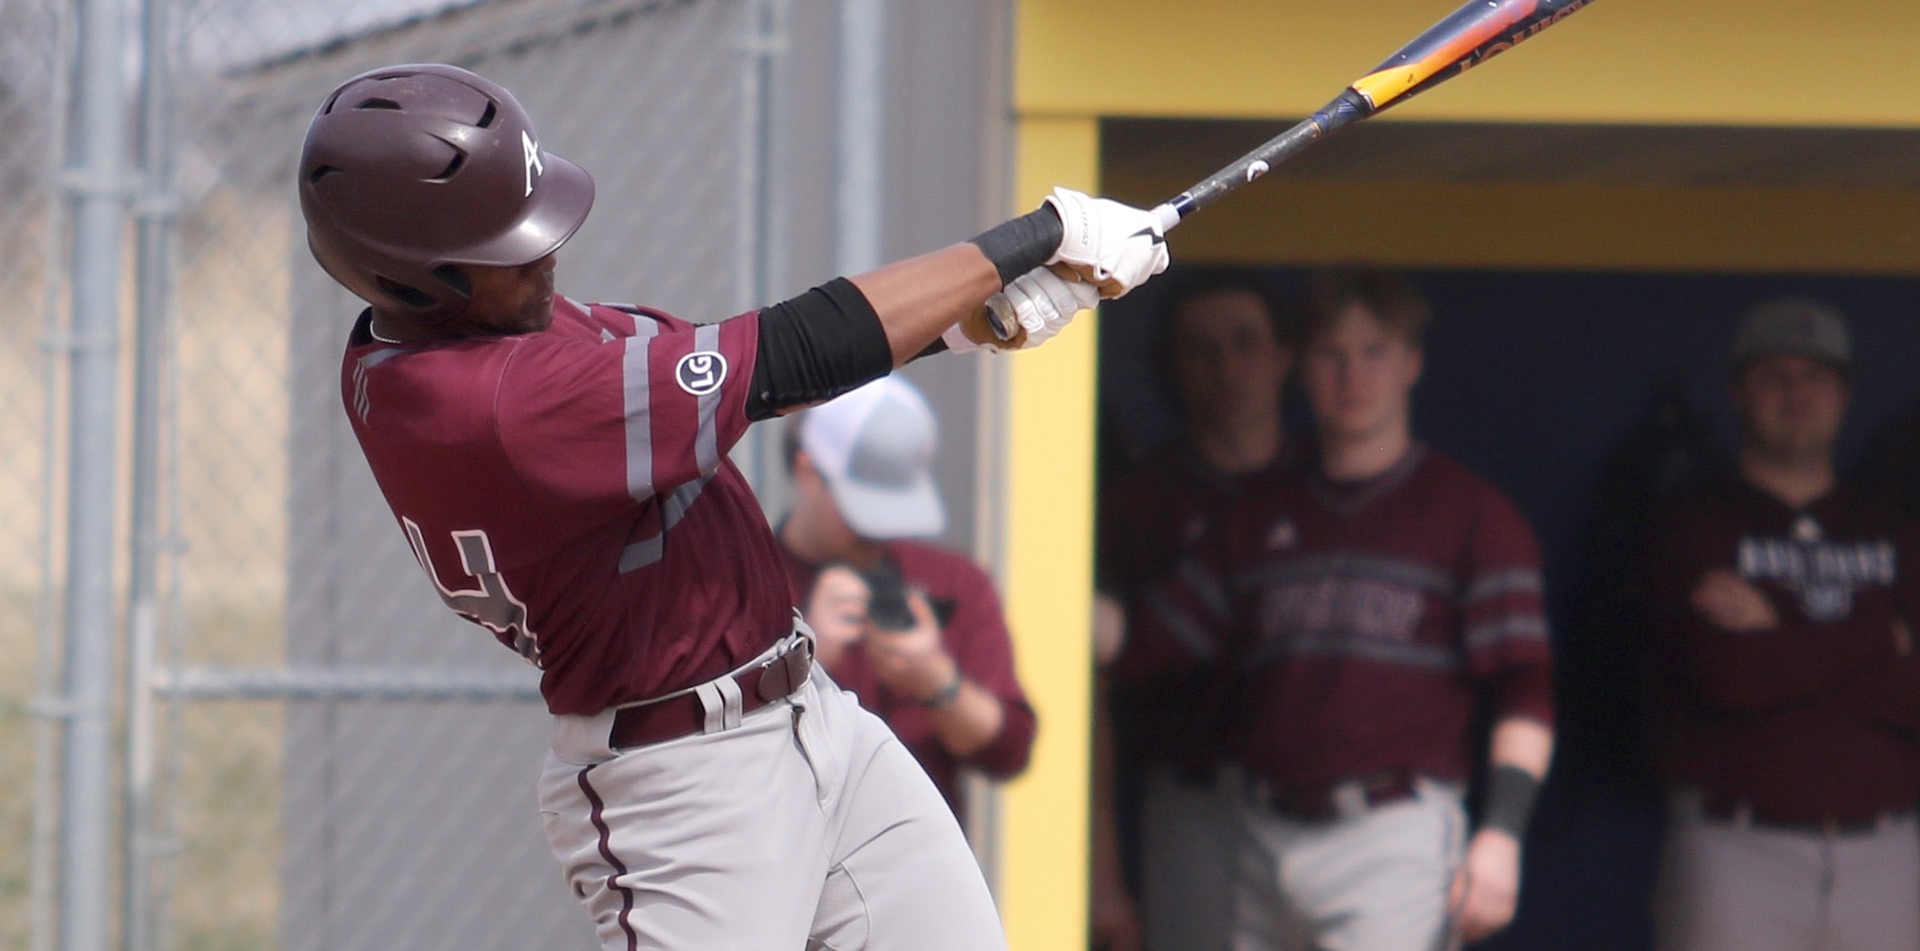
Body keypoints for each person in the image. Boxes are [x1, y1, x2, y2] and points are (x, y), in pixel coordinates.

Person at [296, 62, 1166, 949]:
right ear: (411, 280)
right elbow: (785, 353)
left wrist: (965, 322)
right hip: (685, 781)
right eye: (509, 248)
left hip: (816, 716)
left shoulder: (460, 336)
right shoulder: (495, 407)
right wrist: (1038, 235)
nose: (547, 251)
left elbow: (748, 382)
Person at [1228, 264, 1555, 951]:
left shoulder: (1472, 515)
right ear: (1301, 368)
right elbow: (1156, 639)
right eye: (1332, 355)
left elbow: (1526, 691)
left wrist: (1501, 836)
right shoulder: (1262, 508)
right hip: (1261, 825)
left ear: (1411, 364)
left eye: (1374, 353)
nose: (1353, 377)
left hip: (1394, 829)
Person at [1637, 297, 1920, 951]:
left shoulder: (1893, 531)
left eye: (1815, 377)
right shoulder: (1696, 526)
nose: (1796, 393)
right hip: (1735, 850)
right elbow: (1731, 677)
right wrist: (1883, 638)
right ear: (1737, 395)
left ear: (1845, 395)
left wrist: (1781, 638)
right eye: (1774, 377)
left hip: (1885, 852)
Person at [1093, 270, 1296, 951]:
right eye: (1201, 350)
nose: (1226, 367)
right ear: (1171, 367)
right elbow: (1090, 684)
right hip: (1189, 795)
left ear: (1283, 357)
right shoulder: (1138, 502)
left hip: (1334, 803)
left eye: (1245, 344)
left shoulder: (1330, 488)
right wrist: (1104, 878)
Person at [777, 374, 1036, 826]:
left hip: (916, 864)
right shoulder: (745, 584)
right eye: (862, 510)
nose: (878, 532)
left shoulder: (953, 582)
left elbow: (1010, 751)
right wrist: (803, 665)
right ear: (806, 472)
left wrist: (939, 682)